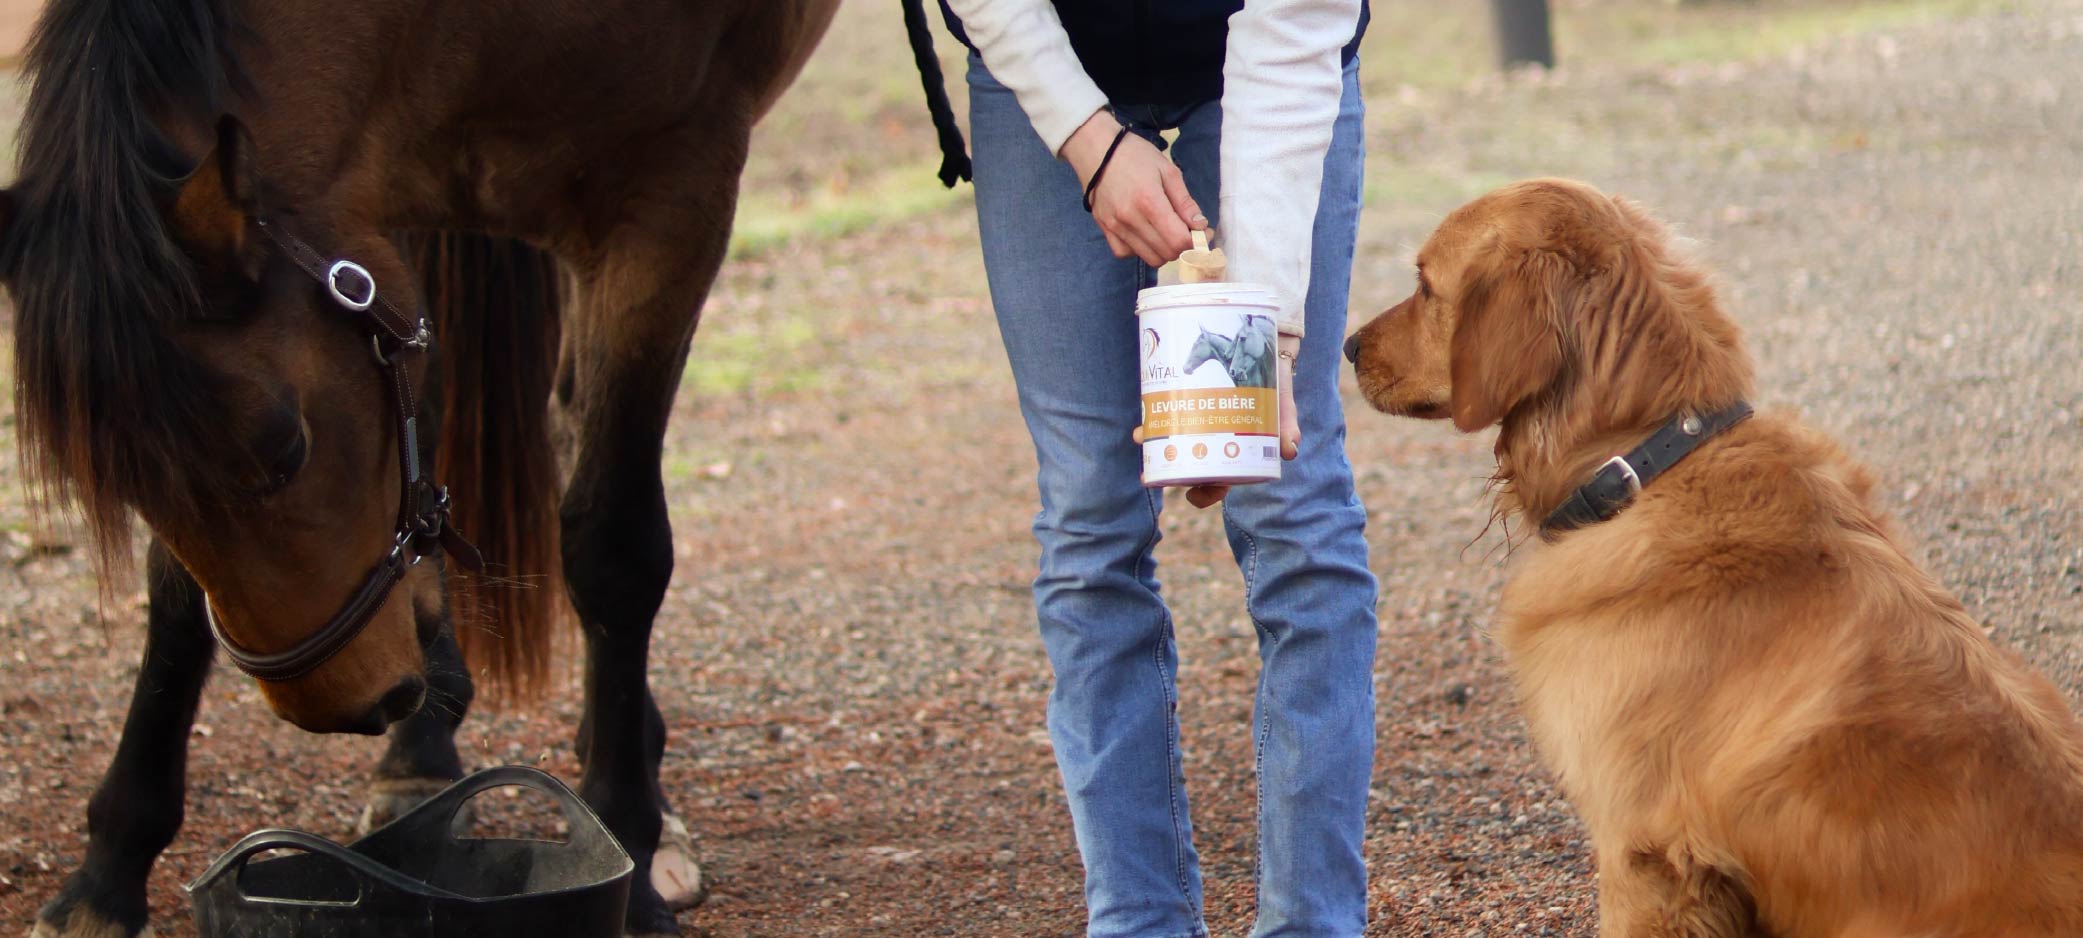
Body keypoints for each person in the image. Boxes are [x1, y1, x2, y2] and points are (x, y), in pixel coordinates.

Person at [919, 1, 1378, 935]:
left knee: (1293, 501)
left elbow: (1290, 38)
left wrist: (1272, 347)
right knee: (1090, 515)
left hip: (1265, 65)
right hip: (1037, 56)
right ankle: (1137, 920)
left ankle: (1314, 922)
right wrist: (1089, 145)